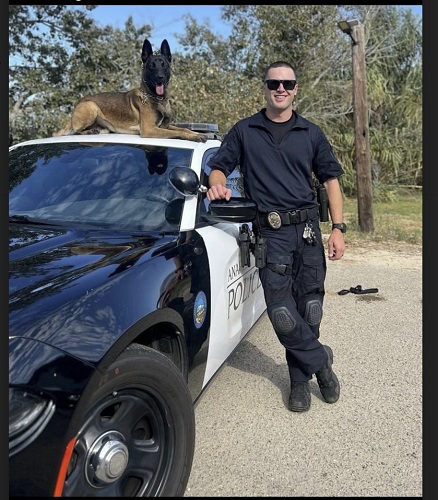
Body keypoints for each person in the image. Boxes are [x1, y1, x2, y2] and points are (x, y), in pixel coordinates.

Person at [206, 61, 345, 412]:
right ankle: (320, 362)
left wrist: (338, 229)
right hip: (272, 233)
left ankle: (299, 380)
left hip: (310, 231)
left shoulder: (311, 133)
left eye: (287, 83)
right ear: (265, 88)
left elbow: (331, 181)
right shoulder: (245, 130)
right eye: (274, 83)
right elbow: (219, 167)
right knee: (281, 311)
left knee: (310, 309)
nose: (280, 88)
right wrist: (217, 185)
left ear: (296, 89)